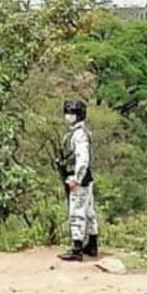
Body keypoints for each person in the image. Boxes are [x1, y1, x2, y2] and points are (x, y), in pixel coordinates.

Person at [58, 100, 98, 262]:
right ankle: (92, 245)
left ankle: (77, 248)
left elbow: (82, 159)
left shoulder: (79, 134)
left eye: (71, 113)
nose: (68, 116)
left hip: (78, 178)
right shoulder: (79, 132)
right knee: (89, 212)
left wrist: (76, 179)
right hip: (84, 177)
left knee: (76, 212)